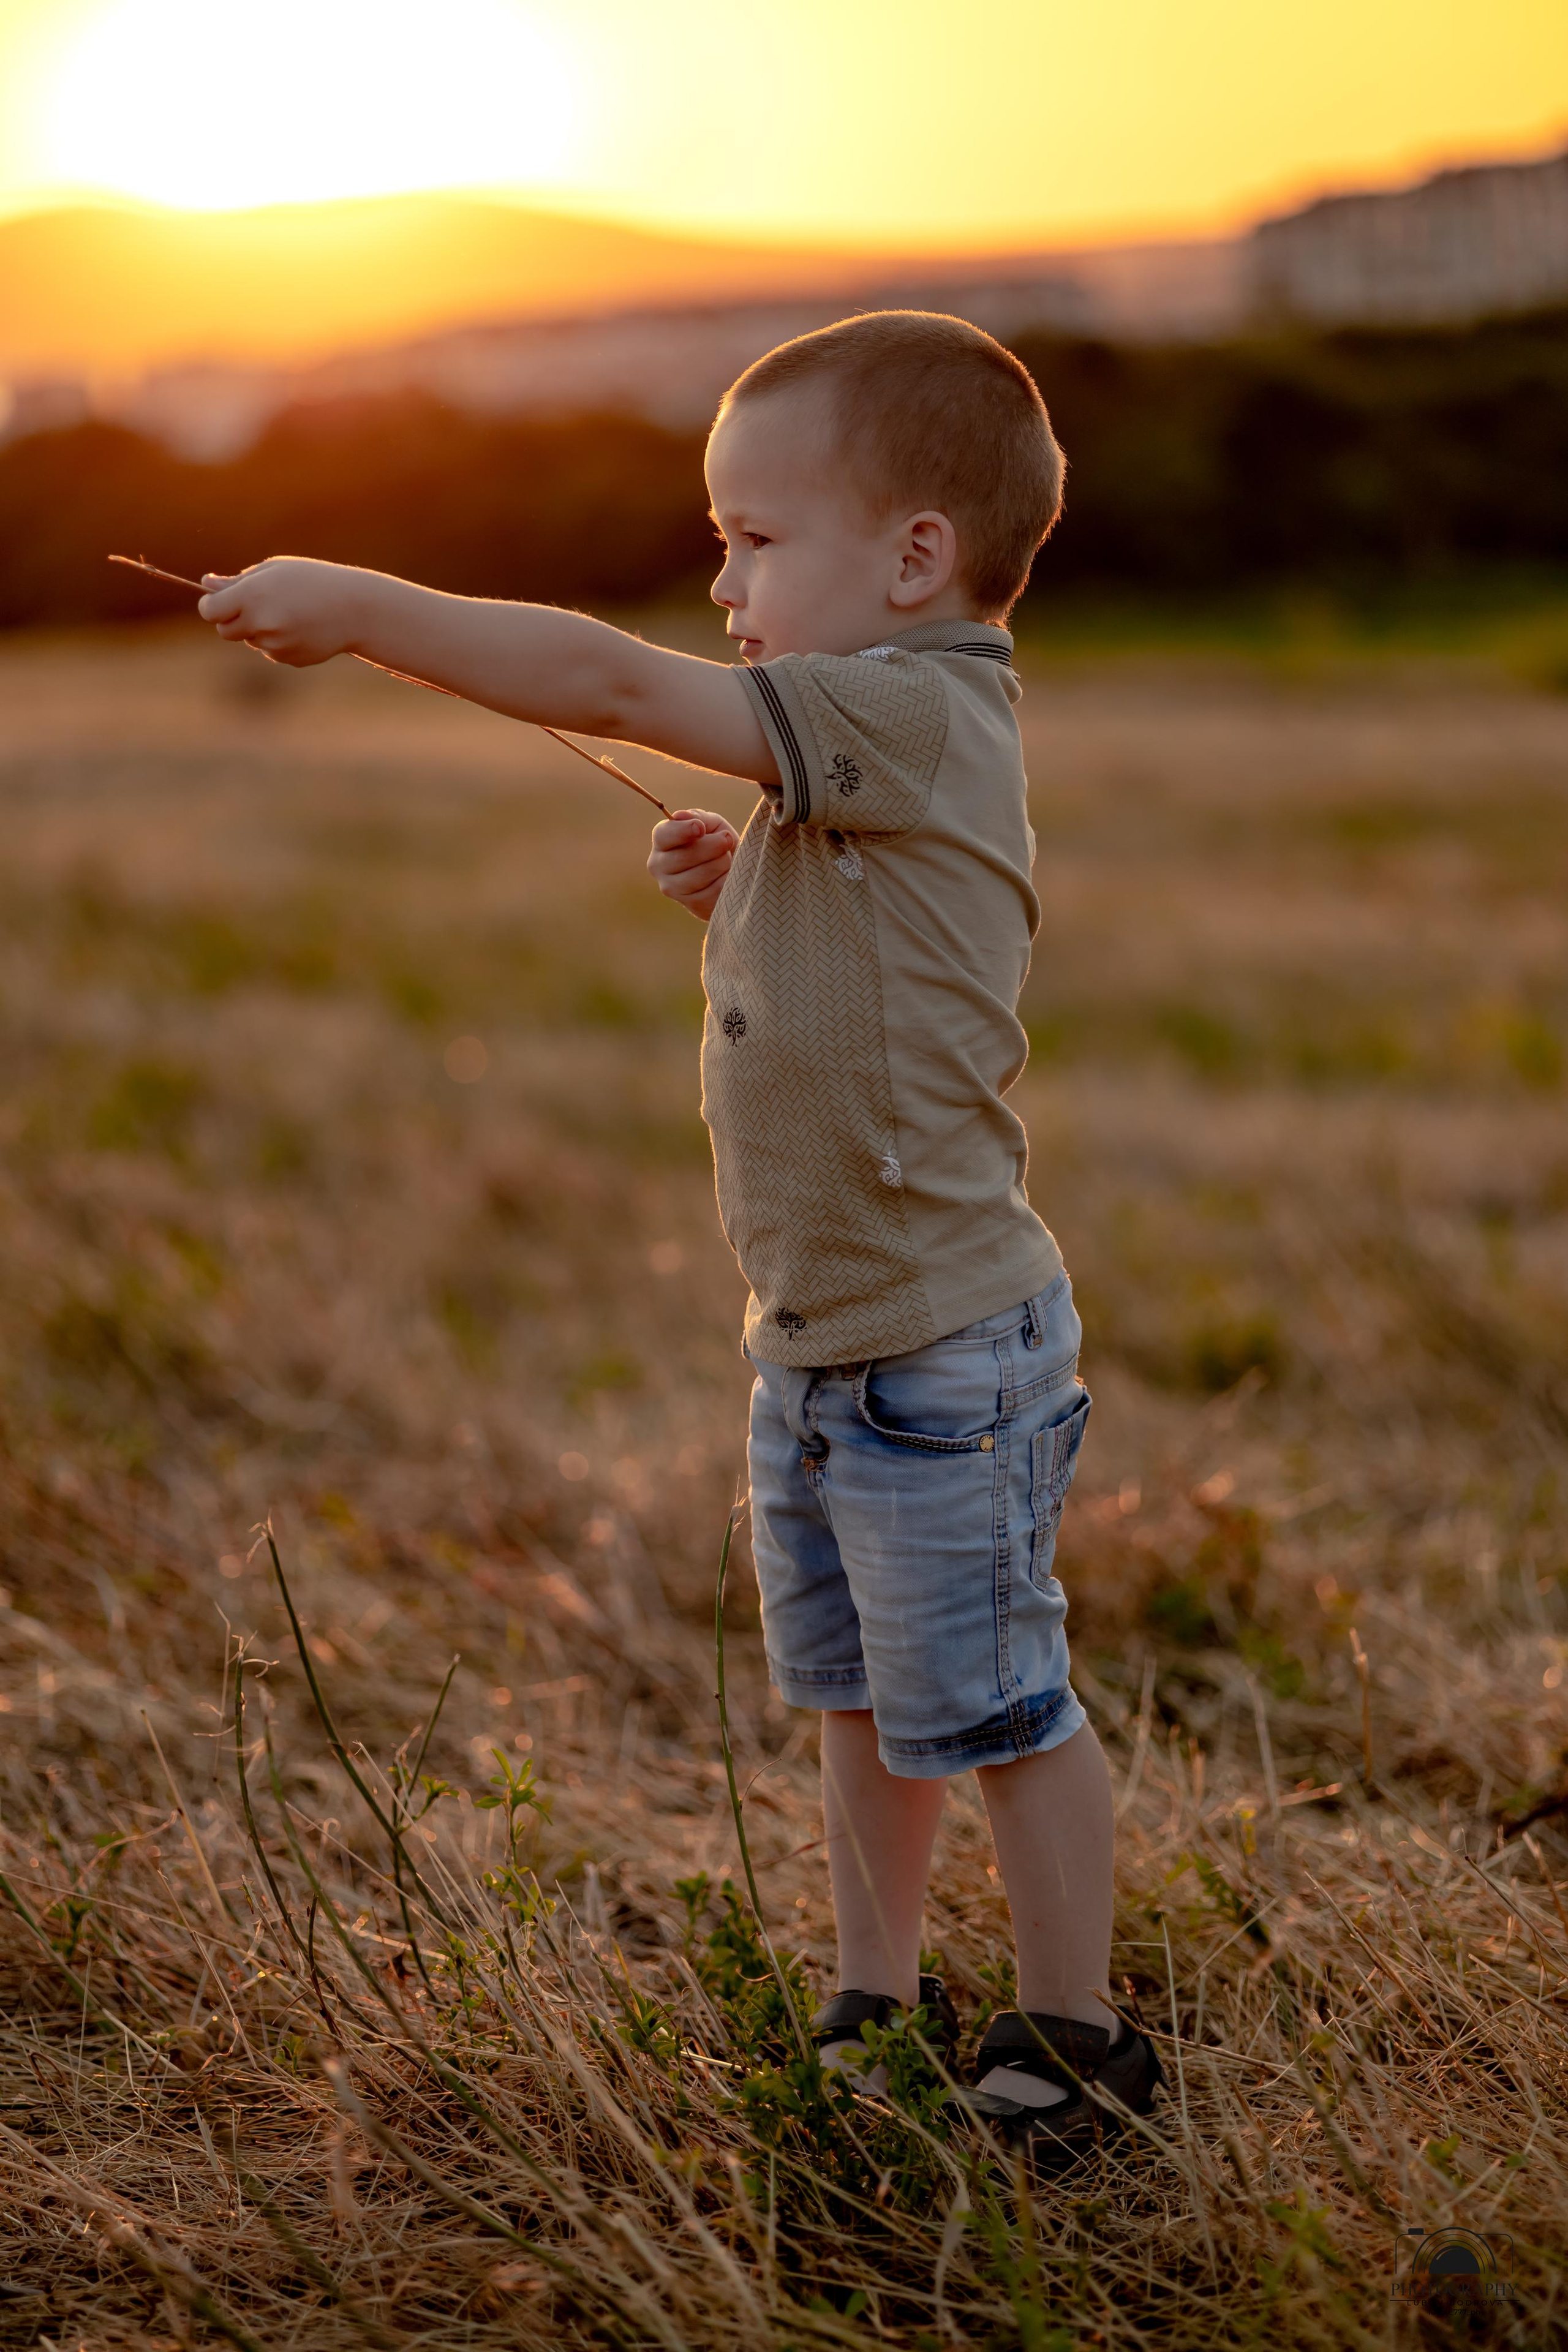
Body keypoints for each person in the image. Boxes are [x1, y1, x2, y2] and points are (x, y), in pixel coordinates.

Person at [197, 309, 1164, 2157]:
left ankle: (1077, 2037)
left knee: (1003, 1706)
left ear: (915, 558)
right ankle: (876, 1993)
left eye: (754, 540)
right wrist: (751, 883)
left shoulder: (919, 702)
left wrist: (365, 603)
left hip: (943, 1349)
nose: (720, 579)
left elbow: (616, 687)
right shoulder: (857, 750)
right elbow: (875, 952)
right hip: (814, 1348)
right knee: (859, 1699)